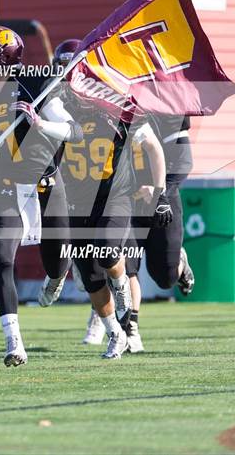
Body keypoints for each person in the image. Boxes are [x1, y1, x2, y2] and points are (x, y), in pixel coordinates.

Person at [0, 25, 83, 367]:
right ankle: (14, 342)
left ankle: (58, 276)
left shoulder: (36, 84)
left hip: (45, 186)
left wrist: (40, 124)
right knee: (1, 258)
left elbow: (72, 130)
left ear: (6, 58)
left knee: (56, 263)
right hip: (7, 188)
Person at [82, 114, 195, 352]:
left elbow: (183, 161)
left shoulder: (168, 111)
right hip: (123, 199)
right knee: (125, 263)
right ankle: (130, 328)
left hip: (160, 200)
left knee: (165, 278)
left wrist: (159, 191)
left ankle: (179, 262)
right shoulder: (109, 111)